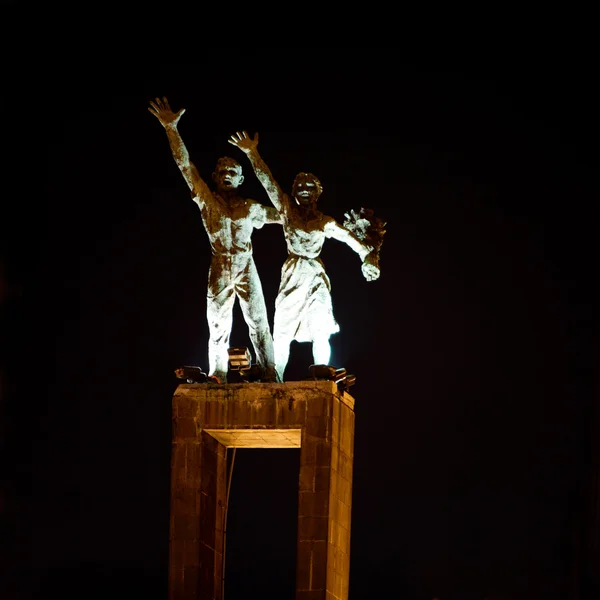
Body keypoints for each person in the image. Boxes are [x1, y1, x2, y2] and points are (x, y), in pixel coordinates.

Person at [228, 130, 382, 382]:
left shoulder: (324, 222)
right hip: (293, 273)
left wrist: (368, 256)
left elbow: (348, 238)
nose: (304, 190)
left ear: (318, 193)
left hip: (316, 274)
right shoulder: (287, 211)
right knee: (283, 328)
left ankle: (323, 371)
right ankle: (274, 375)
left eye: (310, 187)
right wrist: (251, 153)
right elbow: (269, 183)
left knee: (321, 326)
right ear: (294, 191)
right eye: (299, 187)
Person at [148, 98, 282, 383]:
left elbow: (285, 214)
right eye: (222, 172)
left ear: (241, 178)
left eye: (233, 173)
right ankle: (218, 372)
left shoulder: (250, 208)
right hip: (220, 264)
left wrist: (253, 155)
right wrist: (171, 129)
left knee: (258, 320)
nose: (227, 176)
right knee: (218, 324)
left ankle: (269, 369)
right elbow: (185, 167)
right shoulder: (208, 201)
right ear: (214, 177)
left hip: (246, 265)